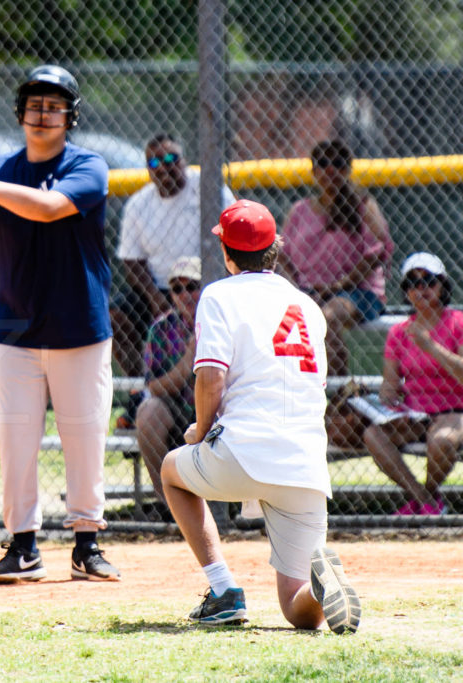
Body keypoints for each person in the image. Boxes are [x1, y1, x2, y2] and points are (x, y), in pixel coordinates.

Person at [0, 64, 119, 584]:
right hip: (16, 326)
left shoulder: (89, 166)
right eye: (35, 105)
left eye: (54, 106)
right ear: (20, 113)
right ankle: (23, 545)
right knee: (16, 440)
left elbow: (49, 208)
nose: (43, 114)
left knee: (84, 437)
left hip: (79, 323)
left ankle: (87, 543)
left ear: (70, 116)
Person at [159, 199, 361, 633]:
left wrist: (200, 431)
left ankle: (223, 591)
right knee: (296, 608)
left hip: (243, 452)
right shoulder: (306, 304)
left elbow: (211, 377)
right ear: (276, 249)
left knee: (171, 471)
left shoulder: (218, 294)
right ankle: (321, 586)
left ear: (227, 255)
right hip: (306, 465)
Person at [112, 134, 235, 377]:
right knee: (113, 317)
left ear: (184, 160)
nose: (164, 166)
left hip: (205, 283)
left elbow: (233, 230)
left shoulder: (206, 187)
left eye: (170, 158)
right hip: (159, 287)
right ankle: (142, 386)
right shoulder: (138, 204)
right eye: (155, 162)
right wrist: (155, 298)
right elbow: (131, 260)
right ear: (148, 169)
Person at [279, 139, 394, 376]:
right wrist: (296, 289)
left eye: (338, 163)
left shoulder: (363, 205)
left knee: (328, 317)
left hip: (356, 291)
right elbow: (282, 257)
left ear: (348, 169)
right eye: (322, 163)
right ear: (313, 171)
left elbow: (376, 254)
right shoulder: (299, 210)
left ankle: (340, 396)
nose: (330, 169)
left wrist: (336, 286)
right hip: (307, 291)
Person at [363, 252, 463, 515]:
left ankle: (426, 499)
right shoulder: (399, 331)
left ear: (442, 285)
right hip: (415, 411)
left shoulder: (458, 323)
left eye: (429, 281)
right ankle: (427, 501)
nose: (421, 289)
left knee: (442, 441)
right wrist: (375, 402)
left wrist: (429, 346)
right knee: (373, 434)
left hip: (453, 410)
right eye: (412, 283)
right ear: (406, 291)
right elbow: (390, 385)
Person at [133, 255, 201, 519]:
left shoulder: (221, 320)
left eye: (192, 286)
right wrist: (187, 363)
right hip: (180, 409)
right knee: (148, 412)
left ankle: (236, 507)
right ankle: (170, 506)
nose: (185, 294)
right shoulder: (161, 329)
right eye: (177, 288)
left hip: (221, 409)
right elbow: (154, 386)